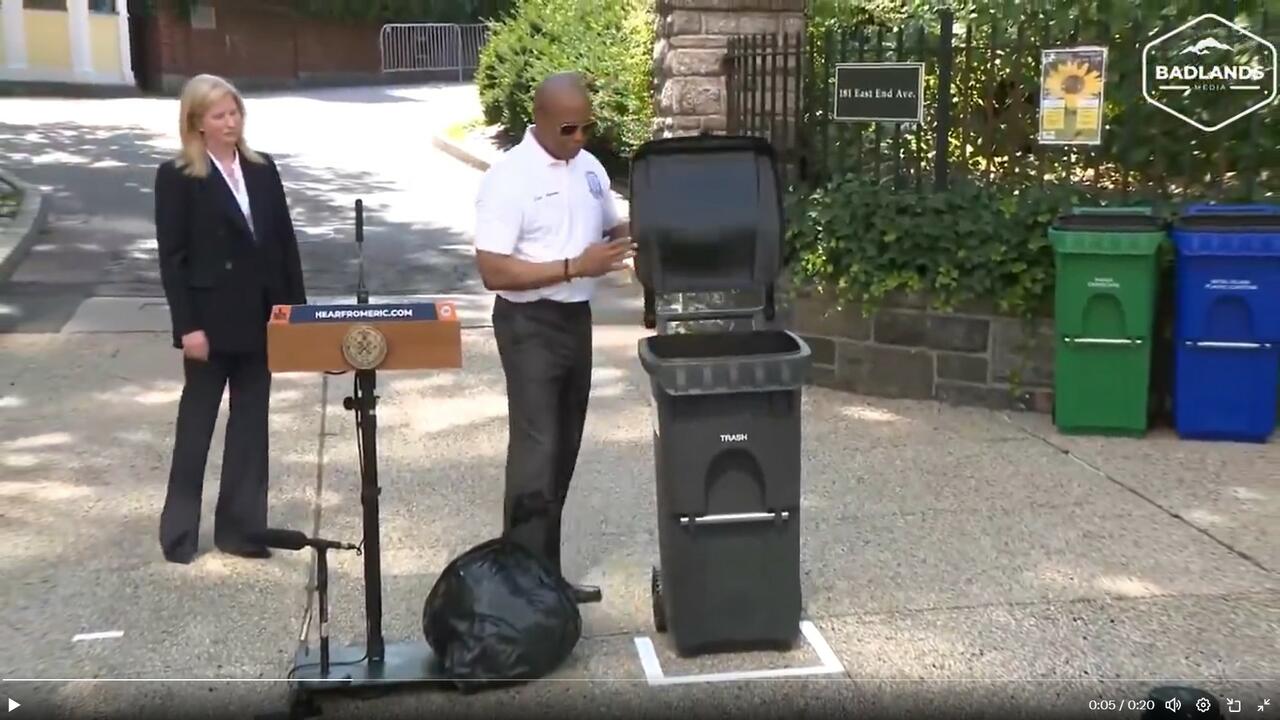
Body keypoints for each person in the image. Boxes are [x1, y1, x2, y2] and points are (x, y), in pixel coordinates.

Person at [473, 72, 635, 604]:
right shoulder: (509, 177)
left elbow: (614, 228)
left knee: (564, 447)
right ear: (539, 120)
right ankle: (519, 592)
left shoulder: (588, 168)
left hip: (575, 320)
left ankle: (546, 578)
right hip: (529, 326)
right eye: (569, 128)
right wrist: (572, 266)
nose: (580, 138)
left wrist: (654, 223)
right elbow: (494, 270)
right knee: (536, 453)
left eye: (588, 126)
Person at [154, 74, 307, 564]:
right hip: (209, 324)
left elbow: (284, 245)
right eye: (218, 116)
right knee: (196, 427)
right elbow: (172, 258)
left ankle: (240, 530)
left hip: (260, 319)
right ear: (196, 123)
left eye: (234, 113)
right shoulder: (178, 176)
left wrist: (296, 317)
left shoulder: (263, 171)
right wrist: (187, 327)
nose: (230, 122)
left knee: (250, 427)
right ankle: (179, 533)